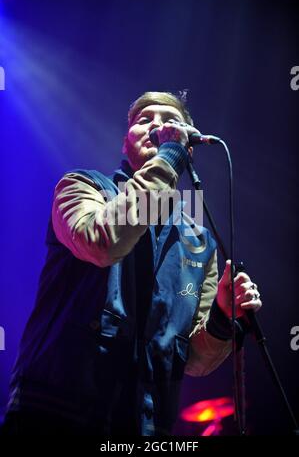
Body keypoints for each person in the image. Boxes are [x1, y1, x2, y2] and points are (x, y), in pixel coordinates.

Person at [2, 91, 262, 436]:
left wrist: (222, 316)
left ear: (190, 147)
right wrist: (168, 156)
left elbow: (195, 360)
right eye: (144, 120)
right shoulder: (81, 188)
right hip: (55, 413)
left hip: (143, 426)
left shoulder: (200, 242)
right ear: (125, 144)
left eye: (170, 122)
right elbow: (102, 243)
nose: (157, 125)